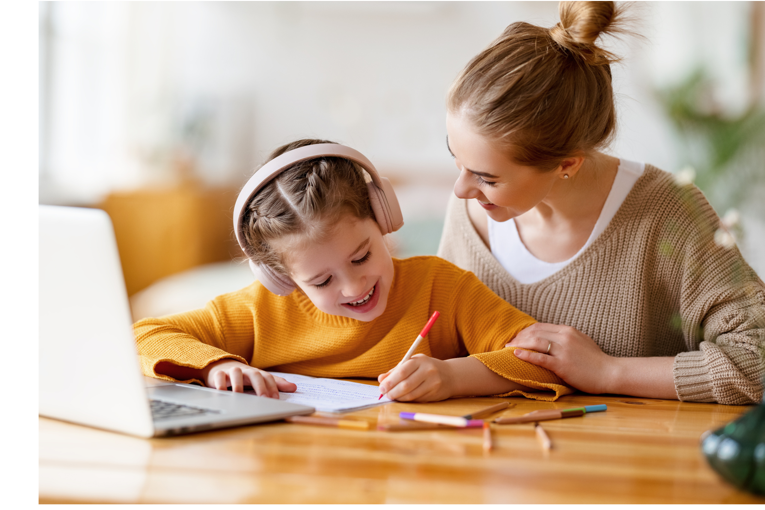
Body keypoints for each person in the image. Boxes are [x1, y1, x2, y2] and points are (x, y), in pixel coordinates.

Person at [437, 1, 765, 405]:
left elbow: (757, 359)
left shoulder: (666, 212)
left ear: (566, 164)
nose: (461, 189)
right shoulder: (471, 214)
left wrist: (609, 371)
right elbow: (437, 335)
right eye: (457, 159)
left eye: (487, 178)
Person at [134, 139, 572, 402]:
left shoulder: (443, 287)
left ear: (384, 219)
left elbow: (544, 362)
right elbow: (143, 336)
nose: (353, 284)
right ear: (281, 278)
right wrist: (215, 367)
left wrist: (455, 376)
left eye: (361, 256)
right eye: (321, 281)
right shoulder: (260, 308)